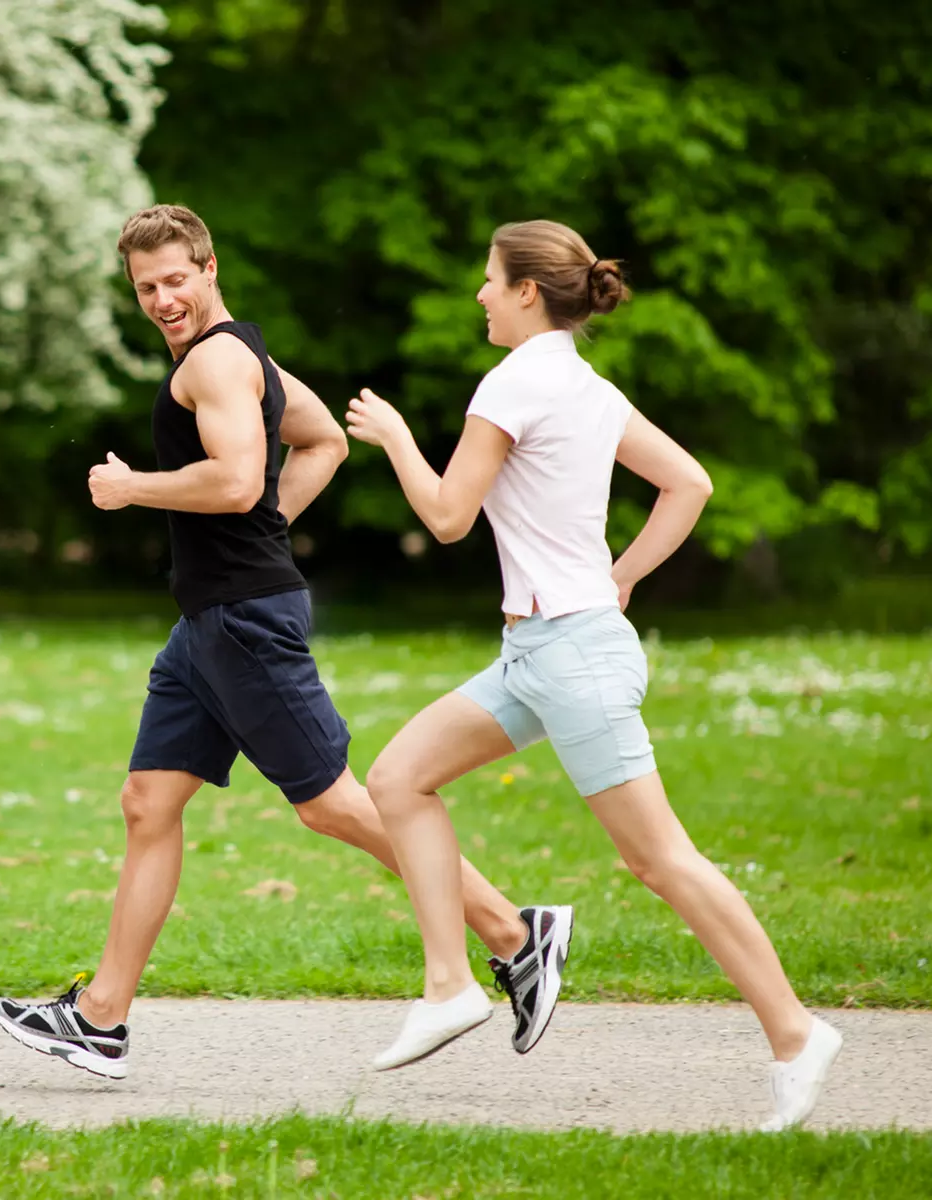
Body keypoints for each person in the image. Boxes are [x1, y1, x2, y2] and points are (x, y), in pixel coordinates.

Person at [0, 204, 569, 1079]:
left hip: (243, 622)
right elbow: (323, 441)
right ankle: (99, 1017)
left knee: (329, 803)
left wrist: (130, 487)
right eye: (146, 287)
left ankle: (513, 934)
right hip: (207, 625)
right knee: (148, 801)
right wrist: (265, 526)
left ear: (209, 268)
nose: (162, 299)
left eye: (176, 280)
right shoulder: (242, 357)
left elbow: (229, 480)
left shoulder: (217, 361)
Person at [342, 219, 842, 1130]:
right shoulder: (582, 381)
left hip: (570, 656)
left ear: (528, 290)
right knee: (396, 779)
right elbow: (687, 482)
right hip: (539, 653)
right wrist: (621, 576)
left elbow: (450, 516)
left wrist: (397, 437)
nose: (481, 295)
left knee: (658, 859)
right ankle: (450, 983)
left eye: (491, 280)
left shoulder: (513, 381)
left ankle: (795, 1033)